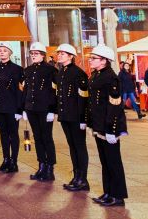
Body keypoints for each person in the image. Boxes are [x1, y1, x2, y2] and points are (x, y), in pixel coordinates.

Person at [87, 44, 129, 207]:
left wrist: (111, 129)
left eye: (94, 58)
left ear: (104, 60)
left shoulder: (111, 77)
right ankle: (108, 192)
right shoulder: (96, 75)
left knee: (113, 161)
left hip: (109, 125)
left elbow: (114, 105)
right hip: (99, 124)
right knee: (104, 161)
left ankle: (118, 196)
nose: (91, 60)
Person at [55, 44, 90, 192]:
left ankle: (83, 179)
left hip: (76, 117)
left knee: (79, 147)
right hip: (65, 116)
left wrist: (83, 119)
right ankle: (76, 176)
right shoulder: (61, 72)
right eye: (59, 53)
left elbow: (83, 98)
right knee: (72, 146)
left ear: (71, 56)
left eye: (63, 54)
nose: (60, 55)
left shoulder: (78, 73)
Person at [23, 42, 58, 181]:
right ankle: (41, 165)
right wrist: (24, 107)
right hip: (31, 108)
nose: (33, 56)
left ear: (43, 55)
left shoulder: (51, 70)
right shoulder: (28, 70)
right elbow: (26, 90)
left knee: (47, 138)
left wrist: (52, 110)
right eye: (32, 54)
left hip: (45, 109)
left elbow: (54, 92)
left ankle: (50, 168)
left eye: (36, 54)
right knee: (37, 138)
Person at [0, 42, 23, 173]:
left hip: (12, 107)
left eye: (4, 50)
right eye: (0, 50)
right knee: (3, 134)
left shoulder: (17, 69)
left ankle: (14, 161)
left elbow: (20, 91)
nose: (2, 52)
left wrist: (20, 109)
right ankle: (6, 159)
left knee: (13, 134)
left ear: (10, 53)